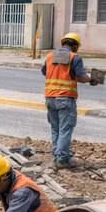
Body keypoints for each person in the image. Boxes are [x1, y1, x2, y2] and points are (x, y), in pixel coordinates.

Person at [41, 32, 94, 169]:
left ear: (63, 42)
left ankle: (57, 153)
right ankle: (63, 159)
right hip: (65, 98)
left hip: (50, 98)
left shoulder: (49, 56)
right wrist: (92, 79)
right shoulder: (74, 57)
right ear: (75, 46)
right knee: (65, 129)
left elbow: (44, 72)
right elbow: (81, 77)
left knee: (55, 128)